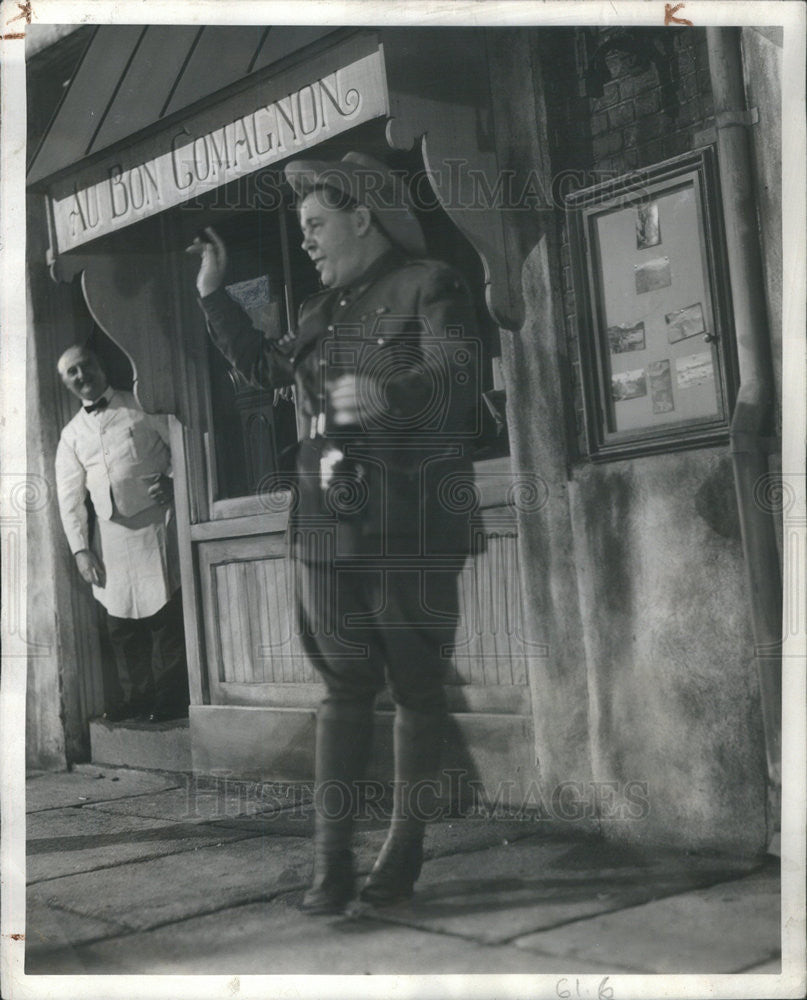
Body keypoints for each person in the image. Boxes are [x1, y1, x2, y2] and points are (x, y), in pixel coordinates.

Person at [191, 151, 481, 914]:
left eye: (317, 226)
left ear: (363, 218)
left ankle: (402, 857)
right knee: (340, 692)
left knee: (417, 692)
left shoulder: (430, 284)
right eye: (303, 229)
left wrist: (389, 393)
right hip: (325, 526)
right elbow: (264, 371)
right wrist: (215, 298)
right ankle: (330, 865)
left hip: (409, 525)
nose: (309, 242)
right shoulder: (321, 315)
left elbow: (458, 378)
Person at [55, 345, 189, 724]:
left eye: (87, 366)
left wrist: (173, 481)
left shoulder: (139, 406)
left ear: (100, 367)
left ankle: (171, 700)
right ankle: (136, 698)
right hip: (110, 537)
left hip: (155, 526)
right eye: (73, 373)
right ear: (67, 383)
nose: (82, 376)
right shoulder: (71, 435)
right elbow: (69, 498)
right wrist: (81, 550)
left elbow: (182, 447)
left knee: (164, 616)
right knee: (121, 625)